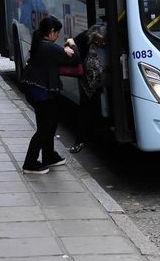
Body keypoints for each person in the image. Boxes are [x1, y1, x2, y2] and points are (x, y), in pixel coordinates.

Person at [20, 16, 80, 174]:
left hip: (38, 91)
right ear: (52, 32)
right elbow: (75, 59)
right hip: (42, 93)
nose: (58, 36)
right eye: (58, 33)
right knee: (45, 128)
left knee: (49, 124)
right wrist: (72, 45)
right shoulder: (49, 47)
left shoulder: (41, 44)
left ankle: (48, 156)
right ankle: (30, 163)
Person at [69, 21, 108, 154]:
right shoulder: (85, 38)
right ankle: (80, 140)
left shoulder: (110, 40)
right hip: (87, 81)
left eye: (104, 42)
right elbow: (70, 45)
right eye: (99, 41)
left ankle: (98, 138)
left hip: (103, 81)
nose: (101, 44)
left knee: (97, 110)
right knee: (85, 110)